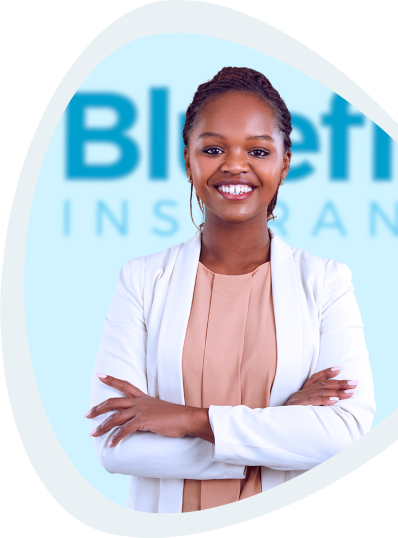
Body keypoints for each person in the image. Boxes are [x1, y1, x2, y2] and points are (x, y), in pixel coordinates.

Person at [86, 67, 376, 514]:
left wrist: (189, 421)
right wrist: (280, 423)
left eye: (258, 150)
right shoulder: (141, 279)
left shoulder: (326, 282)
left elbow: (344, 434)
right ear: (188, 159)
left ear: (284, 161)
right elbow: (115, 444)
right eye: (214, 148)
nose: (235, 165)